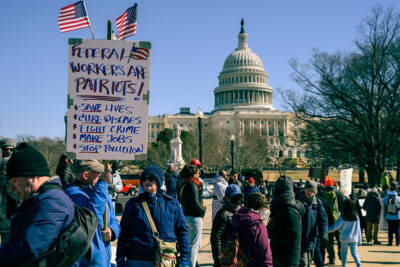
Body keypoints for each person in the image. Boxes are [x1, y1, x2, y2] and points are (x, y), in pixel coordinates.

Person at [0, 142, 74, 265]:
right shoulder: (40, 199)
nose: (11, 188)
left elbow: (29, 248)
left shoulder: (53, 202)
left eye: (14, 180)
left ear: (33, 177)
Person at [116, 165, 190, 267]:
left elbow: (182, 232)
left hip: (165, 260)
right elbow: (124, 232)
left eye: (151, 178)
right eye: (144, 179)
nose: (147, 181)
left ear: (158, 181)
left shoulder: (172, 204)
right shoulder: (133, 204)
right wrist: (120, 258)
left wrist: (185, 258)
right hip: (137, 260)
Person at [66, 160, 120, 267]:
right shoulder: (72, 195)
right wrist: (102, 184)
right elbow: (92, 217)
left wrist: (112, 232)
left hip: (104, 261)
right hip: (86, 263)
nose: (102, 176)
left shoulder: (101, 190)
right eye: (98, 173)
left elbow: (113, 219)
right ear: (85, 175)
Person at [268, 175, 304, 267]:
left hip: (288, 258)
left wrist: (273, 230)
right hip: (279, 255)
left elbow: (293, 235)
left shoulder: (290, 210)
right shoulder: (280, 206)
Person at [232, 192, 273, 266]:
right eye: (265, 208)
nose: (267, 211)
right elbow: (265, 256)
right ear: (257, 209)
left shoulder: (237, 218)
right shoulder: (259, 227)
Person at [296, 180, 328, 267]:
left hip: (314, 235)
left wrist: (324, 233)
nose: (309, 192)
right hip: (301, 235)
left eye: (312, 191)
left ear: (315, 192)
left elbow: (323, 219)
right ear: (304, 190)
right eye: (308, 190)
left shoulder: (317, 203)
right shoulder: (298, 201)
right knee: (303, 262)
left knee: (317, 258)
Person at [178, 164, 205, 267]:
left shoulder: (184, 184)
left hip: (187, 215)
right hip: (194, 217)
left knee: (190, 244)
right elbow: (195, 203)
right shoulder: (192, 185)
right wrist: (203, 211)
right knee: (194, 245)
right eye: (197, 173)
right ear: (193, 174)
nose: (199, 174)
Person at [210, 184, 243, 267]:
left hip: (238, 257)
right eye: (235, 197)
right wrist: (218, 260)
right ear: (227, 198)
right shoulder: (222, 214)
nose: (237, 200)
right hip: (226, 258)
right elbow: (215, 238)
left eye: (239, 197)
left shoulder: (241, 212)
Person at [328, 199, 362, 267]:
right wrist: (360, 239)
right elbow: (358, 229)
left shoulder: (343, 216)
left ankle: (344, 265)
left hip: (344, 237)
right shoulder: (356, 217)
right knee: (354, 253)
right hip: (354, 237)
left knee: (344, 253)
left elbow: (335, 226)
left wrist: (327, 230)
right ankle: (359, 264)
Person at [323, 176, 346, 264]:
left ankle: (331, 259)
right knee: (340, 239)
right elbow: (345, 205)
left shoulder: (323, 194)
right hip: (339, 220)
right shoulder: (339, 193)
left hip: (328, 221)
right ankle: (341, 255)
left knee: (329, 241)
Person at [382, 181, 400, 246]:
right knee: (397, 229)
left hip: (389, 216)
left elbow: (383, 202)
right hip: (397, 216)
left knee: (390, 230)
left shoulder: (387, 197)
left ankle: (390, 242)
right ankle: (398, 242)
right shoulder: (398, 197)